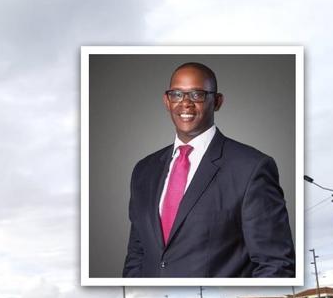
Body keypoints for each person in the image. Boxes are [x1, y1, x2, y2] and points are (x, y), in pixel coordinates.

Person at [122, 62, 295, 278]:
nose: (185, 103)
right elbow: (137, 253)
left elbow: (275, 264)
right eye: (177, 94)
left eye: (197, 95)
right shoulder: (144, 170)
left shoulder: (251, 168)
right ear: (167, 101)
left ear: (217, 101)